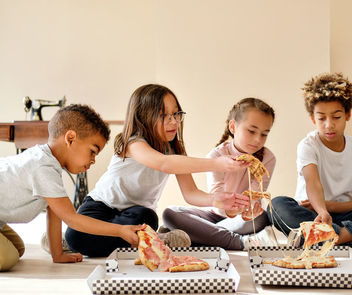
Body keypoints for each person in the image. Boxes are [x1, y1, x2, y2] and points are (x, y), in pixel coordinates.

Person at [65, 84, 250, 257]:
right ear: (143, 117)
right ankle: (155, 240)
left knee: (147, 217)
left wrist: (216, 200)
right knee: (75, 236)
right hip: (100, 206)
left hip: (135, 214)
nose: (173, 122)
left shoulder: (175, 151)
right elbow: (163, 164)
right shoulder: (133, 143)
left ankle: (100, 240)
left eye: (176, 114)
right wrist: (217, 163)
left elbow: (191, 193)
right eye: (164, 116)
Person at [0, 104, 141, 271]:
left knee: (18, 248)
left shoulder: (49, 164)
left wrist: (57, 255)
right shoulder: (42, 167)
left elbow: (55, 212)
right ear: (71, 138)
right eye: (92, 151)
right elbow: (71, 218)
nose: (93, 160)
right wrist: (120, 230)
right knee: (7, 258)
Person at [267, 73, 352, 246]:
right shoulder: (308, 145)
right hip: (312, 213)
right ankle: (342, 235)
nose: (329, 124)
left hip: (345, 214)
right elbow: (312, 182)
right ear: (312, 119)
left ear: (348, 115)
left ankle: (337, 236)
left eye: (336, 117)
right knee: (276, 205)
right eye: (321, 118)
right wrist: (322, 210)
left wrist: (330, 207)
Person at [162, 97, 278, 250]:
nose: (257, 139)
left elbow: (255, 196)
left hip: (242, 219)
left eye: (264, 134)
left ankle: (198, 235)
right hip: (214, 215)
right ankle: (240, 242)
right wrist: (229, 210)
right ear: (233, 127)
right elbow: (216, 199)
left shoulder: (268, 159)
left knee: (262, 217)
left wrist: (249, 210)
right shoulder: (217, 156)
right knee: (170, 214)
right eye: (251, 131)